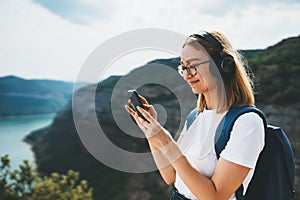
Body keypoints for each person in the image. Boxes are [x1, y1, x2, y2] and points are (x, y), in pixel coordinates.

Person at [125, 30, 265, 200]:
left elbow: (214, 196)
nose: (187, 74)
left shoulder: (247, 122)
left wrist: (166, 140)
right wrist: (152, 133)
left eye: (193, 65)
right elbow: (171, 176)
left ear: (222, 65)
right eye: (183, 67)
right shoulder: (195, 117)